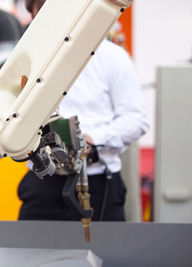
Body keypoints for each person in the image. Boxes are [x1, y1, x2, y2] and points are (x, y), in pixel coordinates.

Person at [18, 0, 149, 221]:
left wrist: (93, 140)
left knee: (104, 254)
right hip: (42, 185)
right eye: (38, 17)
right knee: (29, 254)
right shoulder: (23, 59)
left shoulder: (111, 57)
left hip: (97, 184)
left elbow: (136, 119)